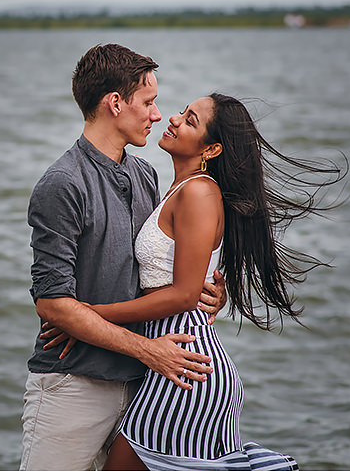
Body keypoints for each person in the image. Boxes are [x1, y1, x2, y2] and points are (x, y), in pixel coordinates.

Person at [73, 92, 344, 471]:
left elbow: (184, 295)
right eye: (183, 112)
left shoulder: (199, 192)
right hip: (175, 361)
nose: (173, 119)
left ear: (212, 149)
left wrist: (92, 315)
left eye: (190, 120)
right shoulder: (175, 190)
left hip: (187, 367)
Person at [20, 44, 227, 471]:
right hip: (74, 386)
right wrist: (149, 350)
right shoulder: (62, 185)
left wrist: (205, 290)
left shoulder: (145, 175)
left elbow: (159, 269)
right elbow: (52, 304)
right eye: (148, 102)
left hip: (143, 388)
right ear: (115, 103)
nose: (157, 114)